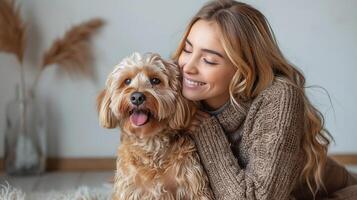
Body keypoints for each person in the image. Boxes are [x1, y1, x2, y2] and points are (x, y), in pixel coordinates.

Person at [171, 0, 357, 199]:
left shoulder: (279, 97)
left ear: (243, 67)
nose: (187, 67)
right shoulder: (172, 88)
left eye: (209, 60)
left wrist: (204, 131)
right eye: (187, 50)